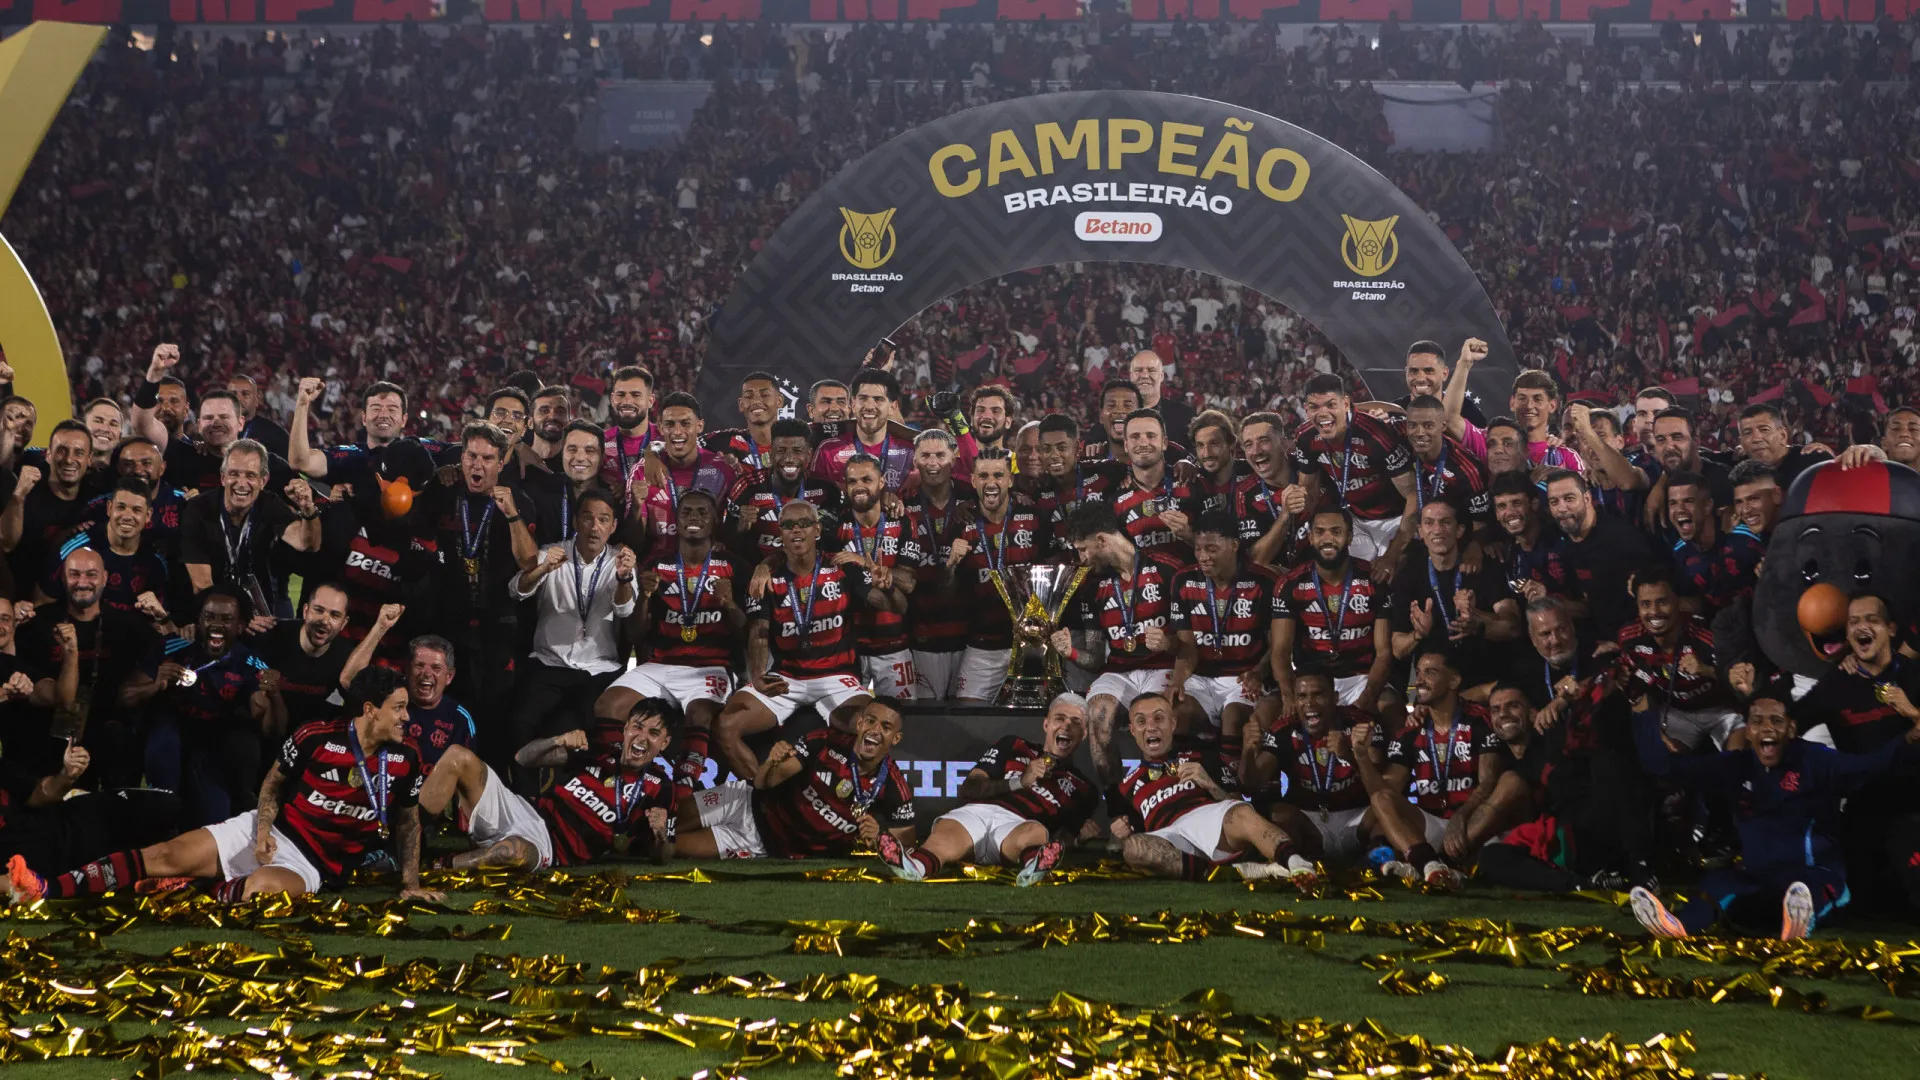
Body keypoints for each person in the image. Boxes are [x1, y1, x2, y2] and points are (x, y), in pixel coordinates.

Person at [7, 667, 440, 904]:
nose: (407, 717)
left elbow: (408, 822)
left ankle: (197, 884)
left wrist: (411, 882)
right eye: (398, 708)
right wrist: (264, 831)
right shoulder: (316, 737)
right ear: (370, 709)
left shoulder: (406, 758)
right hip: (269, 831)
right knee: (163, 855)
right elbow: (272, 785)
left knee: (262, 893)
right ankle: (47, 888)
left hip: (312, 866)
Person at [1627, 682, 1917, 941]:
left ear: (1791, 728)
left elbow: (1870, 767)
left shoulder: (1816, 761)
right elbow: (1664, 767)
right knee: (1717, 881)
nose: (1766, 728)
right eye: (1757, 721)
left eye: (1776, 720)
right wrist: (1642, 715)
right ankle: (1680, 925)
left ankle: (1799, 922)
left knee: (1810, 888)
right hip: (1760, 880)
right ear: (1747, 730)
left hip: (1816, 876)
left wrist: (1910, 739)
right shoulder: (1735, 766)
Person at [711, 499, 889, 780]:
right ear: (780, 533)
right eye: (788, 525)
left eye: (804, 523)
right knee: (726, 726)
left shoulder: (842, 566)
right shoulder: (766, 577)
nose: (796, 530)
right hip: (787, 678)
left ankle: (854, 794)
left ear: (817, 529)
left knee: (872, 726)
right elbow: (758, 633)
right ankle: (763, 791)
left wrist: (884, 586)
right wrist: (757, 676)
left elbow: (881, 602)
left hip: (836, 676)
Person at [419, 698, 679, 870]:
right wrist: (557, 741)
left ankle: (440, 865)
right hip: (521, 808)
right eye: (637, 727)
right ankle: (410, 839)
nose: (642, 737)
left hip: (547, 846)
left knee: (512, 853)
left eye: (654, 733)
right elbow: (523, 758)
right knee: (459, 757)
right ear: (625, 728)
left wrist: (660, 835)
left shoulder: (661, 787)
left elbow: (663, 857)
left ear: (664, 743)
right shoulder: (597, 751)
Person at [599, 488, 744, 795]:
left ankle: (681, 792)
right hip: (661, 664)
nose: (694, 517)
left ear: (715, 520)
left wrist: (730, 605)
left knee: (700, 713)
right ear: (676, 521)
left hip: (711, 666)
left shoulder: (734, 566)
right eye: (687, 512)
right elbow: (635, 634)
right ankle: (617, 779)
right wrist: (644, 598)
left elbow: (747, 632)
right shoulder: (656, 565)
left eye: (703, 512)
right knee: (608, 704)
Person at [876, 692, 1097, 885]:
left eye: (1076, 722)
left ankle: (1033, 867)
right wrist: (1019, 782)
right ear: (1046, 724)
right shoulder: (1015, 745)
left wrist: (1078, 839)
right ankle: (915, 867)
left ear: (1085, 733)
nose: (1066, 726)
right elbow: (969, 789)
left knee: (1036, 833)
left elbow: (1060, 840)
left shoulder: (1084, 788)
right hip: (976, 813)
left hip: (1020, 825)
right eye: (1060, 718)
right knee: (945, 835)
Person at [1108, 692, 1315, 885]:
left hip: (1210, 820)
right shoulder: (1126, 785)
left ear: (1173, 724)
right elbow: (1126, 836)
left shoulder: (1203, 756)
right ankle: (1232, 871)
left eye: (1159, 718)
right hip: (1169, 836)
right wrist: (1121, 833)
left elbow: (1236, 802)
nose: (1151, 727)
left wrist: (1210, 784)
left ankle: (1297, 864)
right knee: (1133, 848)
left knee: (1241, 813)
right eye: (1141, 721)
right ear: (1133, 730)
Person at [1795, 593, 1920, 912]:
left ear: (1891, 629)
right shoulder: (1836, 683)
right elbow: (1790, 723)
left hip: (1912, 804)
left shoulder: (1913, 675)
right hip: (1864, 808)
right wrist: (1752, 695)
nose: (1862, 626)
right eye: (1854, 622)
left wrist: (1912, 711)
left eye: (1872, 620)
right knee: (1863, 902)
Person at [678, 699, 916, 860]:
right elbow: (763, 784)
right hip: (744, 802)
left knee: (673, 846)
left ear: (896, 738)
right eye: (871, 721)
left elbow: (906, 851)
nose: (875, 730)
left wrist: (880, 838)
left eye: (886, 727)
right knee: (670, 824)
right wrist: (772, 762)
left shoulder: (894, 786)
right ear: (860, 723)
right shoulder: (824, 741)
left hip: (759, 842)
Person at [127, 586, 284, 827]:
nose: (217, 625)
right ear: (198, 620)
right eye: (209, 617)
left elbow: (271, 729)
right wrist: (155, 686)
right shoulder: (172, 647)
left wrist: (275, 696)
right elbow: (124, 698)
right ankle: (159, 812)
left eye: (227, 619)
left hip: (212, 745)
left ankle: (236, 803)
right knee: (165, 739)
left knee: (215, 818)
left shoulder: (250, 662)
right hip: (169, 736)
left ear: (240, 626)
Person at [505, 490, 638, 771]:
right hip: (550, 663)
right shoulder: (552, 552)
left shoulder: (621, 561)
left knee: (582, 735)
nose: (595, 527)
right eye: (588, 518)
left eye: (603, 520)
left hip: (599, 669)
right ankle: (519, 788)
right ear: (576, 521)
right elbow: (517, 590)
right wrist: (543, 569)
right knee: (518, 723)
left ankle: (568, 792)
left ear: (613, 526)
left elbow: (625, 610)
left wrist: (624, 577)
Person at [1053, 501, 1183, 783]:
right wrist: (1071, 652)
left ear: (1101, 540)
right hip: (1117, 671)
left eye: (1083, 549)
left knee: (1153, 718)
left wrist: (1169, 643)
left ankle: (1165, 792)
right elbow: (1095, 659)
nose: (1082, 558)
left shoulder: (1167, 569)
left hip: (1163, 667)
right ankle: (1115, 801)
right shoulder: (1092, 585)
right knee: (1097, 716)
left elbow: (1193, 641)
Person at [1359, 650, 1508, 889]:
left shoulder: (1480, 721)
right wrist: (1360, 756)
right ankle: (1429, 865)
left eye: (1430, 673)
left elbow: (1488, 783)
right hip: (1430, 824)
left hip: (1471, 821)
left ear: (1454, 681)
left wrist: (1461, 816)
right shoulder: (1411, 731)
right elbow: (1387, 789)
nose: (1419, 681)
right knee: (1381, 799)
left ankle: (1428, 866)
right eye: (1418, 673)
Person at [1240, 668, 1384, 866]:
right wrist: (1247, 751)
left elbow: (1381, 786)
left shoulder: (1361, 724)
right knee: (1279, 812)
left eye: (1318, 694)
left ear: (1335, 698)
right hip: (1309, 821)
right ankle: (1298, 863)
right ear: (1294, 700)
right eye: (1302, 696)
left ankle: (1382, 859)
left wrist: (1350, 756)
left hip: (1357, 817)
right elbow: (1251, 784)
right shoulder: (1284, 728)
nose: (1309, 703)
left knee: (1384, 808)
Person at [1166, 512, 1276, 766]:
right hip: (1201, 677)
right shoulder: (1183, 580)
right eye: (1198, 549)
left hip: (1243, 677)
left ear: (1234, 545)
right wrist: (1178, 680)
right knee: (1173, 714)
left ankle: (1231, 782)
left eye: (1212, 549)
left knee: (1233, 718)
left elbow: (1278, 645)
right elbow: (1187, 647)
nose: (1203, 556)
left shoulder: (1263, 582)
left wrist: (1259, 672)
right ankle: (1182, 782)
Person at [1609, 566, 1744, 752]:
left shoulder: (1708, 635)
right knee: (1659, 756)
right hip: (1676, 713)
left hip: (1722, 710)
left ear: (1678, 602)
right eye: (1645, 604)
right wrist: (1654, 732)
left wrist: (1707, 670)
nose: (1654, 611)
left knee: (1738, 757)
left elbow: (1742, 682)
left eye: (1662, 602)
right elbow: (1636, 694)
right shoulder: (1629, 638)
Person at [1269, 509, 1392, 713]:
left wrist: (1367, 697)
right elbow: (1280, 652)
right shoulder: (1290, 584)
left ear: (1349, 537)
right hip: (1309, 681)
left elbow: (1384, 652)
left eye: (1336, 532)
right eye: (1320, 532)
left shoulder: (1373, 579)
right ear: (1310, 538)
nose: (1328, 539)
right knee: (1265, 712)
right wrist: (1288, 695)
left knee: (1391, 708)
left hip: (1361, 677)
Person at [1388, 497, 1519, 686]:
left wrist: (1478, 621)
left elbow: (1513, 627)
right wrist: (1418, 634)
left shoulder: (1485, 567)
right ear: (1420, 532)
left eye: (1445, 522)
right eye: (1429, 523)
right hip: (1435, 683)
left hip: (1486, 678)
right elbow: (1398, 649)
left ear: (1459, 530)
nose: (1437, 530)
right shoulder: (1408, 576)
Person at [1292, 373, 1417, 567]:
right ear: (1306, 409)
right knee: (1343, 569)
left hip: (1394, 519)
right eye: (1314, 407)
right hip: (1353, 519)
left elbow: (1413, 495)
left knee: (1394, 570)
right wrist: (1296, 502)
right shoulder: (1305, 437)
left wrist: (1392, 554)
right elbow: (1309, 493)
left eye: (1331, 405)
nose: (1323, 414)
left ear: (1345, 404)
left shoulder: (1375, 433)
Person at [179, 439, 321, 606]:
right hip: (211, 610)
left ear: (263, 481)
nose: (241, 483)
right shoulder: (198, 510)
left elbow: (307, 543)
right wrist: (242, 616)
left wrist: (307, 508)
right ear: (223, 478)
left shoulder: (270, 504)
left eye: (250, 475)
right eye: (234, 474)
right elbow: (202, 586)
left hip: (259, 610)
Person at [949, 450, 1041, 703]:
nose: (991, 482)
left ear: (1011, 480)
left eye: (999, 475)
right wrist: (950, 566)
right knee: (968, 712)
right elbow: (947, 591)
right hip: (983, 644)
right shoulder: (961, 523)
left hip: (1032, 642)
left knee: (1032, 716)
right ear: (973, 480)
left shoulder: (1034, 515)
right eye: (983, 476)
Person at [836, 454, 921, 700]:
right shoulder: (835, 524)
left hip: (894, 647)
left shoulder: (902, 520)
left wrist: (864, 563)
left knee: (901, 717)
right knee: (850, 718)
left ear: (882, 482)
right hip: (849, 649)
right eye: (852, 481)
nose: (859, 487)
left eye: (867, 479)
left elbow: (909, 583)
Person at [253, 584, 388, 733]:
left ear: (344, 623)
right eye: (318, 610)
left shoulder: (345, 654)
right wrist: (245, 624)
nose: (324, 620)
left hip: (312, 731)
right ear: (305, 611)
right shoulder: (272, 636)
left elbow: (354, 689)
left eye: (335, 615)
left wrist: (381, 626)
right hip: (267, 726)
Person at [905, 428, 976, 699]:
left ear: (954, 459)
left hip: (971, 637)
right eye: (925, 456)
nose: (933, 463)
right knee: (926, 713)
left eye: (940, 455)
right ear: (914, 460)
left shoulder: (974, 498)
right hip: (922, 636)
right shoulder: (901, 504)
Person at [1544, 469, 1652, 641]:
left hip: (1635, 638)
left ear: (1587, 498)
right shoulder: (1557, 540)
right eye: (1554, 502)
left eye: (1569, 498)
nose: (1561, 508)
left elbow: (1649, 603)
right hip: (1593, 637)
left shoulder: (1621, 539)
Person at [3, 420, 101, 593]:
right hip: (18, 591)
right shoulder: (24, 488)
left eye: (78, 452)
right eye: (61, 450)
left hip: (71, 594)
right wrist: (17, 497)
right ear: (48, 455)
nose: (69, 459)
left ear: (89, 459)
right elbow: (6, 544)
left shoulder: (96, 497)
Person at [1664, 468, 1763, 618]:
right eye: (1673, 503)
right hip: (1718, 627)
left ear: (1707, 506)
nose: (1680, 510)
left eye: (1688, 501)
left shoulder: (1745, 536)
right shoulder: (1679, 553)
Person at [1110, 408, 1199, 563]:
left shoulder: (1190, 482)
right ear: (1126, 445)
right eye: (1135, 437)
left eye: (1151, 436)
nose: (1143, 443)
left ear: (1164, 443)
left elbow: (1222, 550)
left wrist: (1189, 535)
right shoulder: (1115, 500)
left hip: (1195, 577)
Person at [811, 368, 917, 491]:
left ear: (892, 407)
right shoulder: (828, 451)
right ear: (853, 404)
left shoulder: (910, 451)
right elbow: (815, 497)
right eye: (863, 398)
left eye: (878, 399)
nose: (869, 406)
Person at [1232, 411, 1310, 567]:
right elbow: (1256, 560)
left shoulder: (1309, 469)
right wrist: (1284, 516)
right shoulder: (1244, 494)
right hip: (1280, 575)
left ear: (1284, 443)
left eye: (1264, 440)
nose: (1256, 451)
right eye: (1248, 444)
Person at [1404, 395, 1490, 525]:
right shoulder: (1402, 442)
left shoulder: (1467, 471)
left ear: (1443, 426)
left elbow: (1480, 526)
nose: (1419, 432)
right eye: (1412, 425)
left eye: (1428, 425)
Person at [402, 635, 476, 771]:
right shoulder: (389, 706)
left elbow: (468, 772)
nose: (426, 673)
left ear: (449, 676)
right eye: (419, 665)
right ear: (407, 669)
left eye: (436, 668)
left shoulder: (461, 719)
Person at [1736, 402, 1832, 490]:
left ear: (1783, 435)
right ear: (1741, 442)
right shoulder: (1737, 468)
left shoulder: (1814, 462)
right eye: (1747, 433)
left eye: (1764, 430)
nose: (1756, 438)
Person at [1128, 350, 1193, 442]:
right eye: (1138, 370)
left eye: (1152, 370)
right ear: (1131, 376)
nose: (1145, 375)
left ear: (1161, 376)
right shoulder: (1117, 417)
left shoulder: (1185, 416)